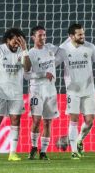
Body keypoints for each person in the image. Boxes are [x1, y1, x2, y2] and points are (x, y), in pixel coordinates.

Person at [59, 23, 95, 160]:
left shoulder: (90, 47)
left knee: (90, 120)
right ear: (71, 36)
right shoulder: (63, 49)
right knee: (74, 119)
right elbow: (53, 63)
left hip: (88, 90)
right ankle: (74, 151)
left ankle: (79, 139)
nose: (83, 36)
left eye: (83, 33)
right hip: (72, 91)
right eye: (79, 34)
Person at [0, 28, 31, 161]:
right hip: (0, 91)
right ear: (8, 40)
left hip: (16, 92)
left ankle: (12, 153)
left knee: (16, 120)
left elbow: (27, 68)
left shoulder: (22, 51)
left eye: (20, 40)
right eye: (15, 40)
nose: (17, 43)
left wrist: (25, 49)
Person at [25, 25, 67, 160]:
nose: (43, 38)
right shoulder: (30, 53)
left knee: (48, 122)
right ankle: (33, 147)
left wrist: (55, 63)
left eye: (44, 35)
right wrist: (44, 73)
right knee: (36, 121)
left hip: (50, 90)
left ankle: (43, 152)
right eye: (40, 35)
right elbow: (26, 75)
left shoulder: (50, 47)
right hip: (36, 90)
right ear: (33, 37)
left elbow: (62, 52)